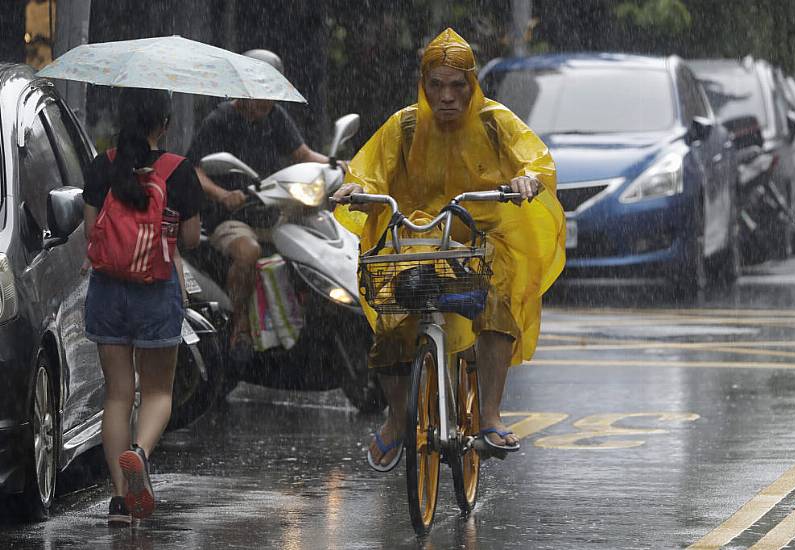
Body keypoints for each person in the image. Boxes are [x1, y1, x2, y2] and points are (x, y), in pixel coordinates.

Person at [332, 28, 566, 470]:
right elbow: (368, 172)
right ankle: (398, 419)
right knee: (391, 323)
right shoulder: (403, 126)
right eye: (436, 85)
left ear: (472, 86)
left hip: (480, 238)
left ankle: (490, 416)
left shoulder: (495, 122)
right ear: (424, 85)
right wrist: (355, 190)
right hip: (419, 239)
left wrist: (527, 180)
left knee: (494, 306)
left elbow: (536, 159)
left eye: (458, 86)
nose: (447, 96)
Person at [82, 88, 203, 524]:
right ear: (164, 124)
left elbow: (91, 232)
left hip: (108, 290)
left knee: (118, 395)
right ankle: (140, 452)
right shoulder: (179, 172)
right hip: (156, 288)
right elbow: (189, 240)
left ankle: (118, 500)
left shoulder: (103, 166)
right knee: (157, 393)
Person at [187, 49, 335, 360]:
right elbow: (195, 170)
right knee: (248, 252)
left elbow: (304, 155)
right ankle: (238, 322)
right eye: (258, 92)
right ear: (242, 87)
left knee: (317, 240)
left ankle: (310, 322)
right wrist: (221, 194)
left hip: (269, 210)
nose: (264, 101)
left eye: (270, 92)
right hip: (230, 217)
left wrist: (339, 165)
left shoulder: (275, 118)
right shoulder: (220, 120)